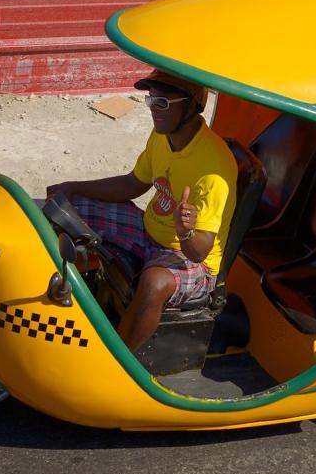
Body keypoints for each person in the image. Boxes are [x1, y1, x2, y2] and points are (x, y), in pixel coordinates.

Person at [46, 70, 237, 352]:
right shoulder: (162, 136)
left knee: (154, 283)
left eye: (162, 104)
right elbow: (133, 183)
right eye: (151, 101)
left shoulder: (213, 168)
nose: (153, 111)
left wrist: (185, 232)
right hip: (147, 231)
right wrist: (73, 187)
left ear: (191, 105)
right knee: (60, 206)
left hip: (189, 257)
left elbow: (199, 252)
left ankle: (116, 361)